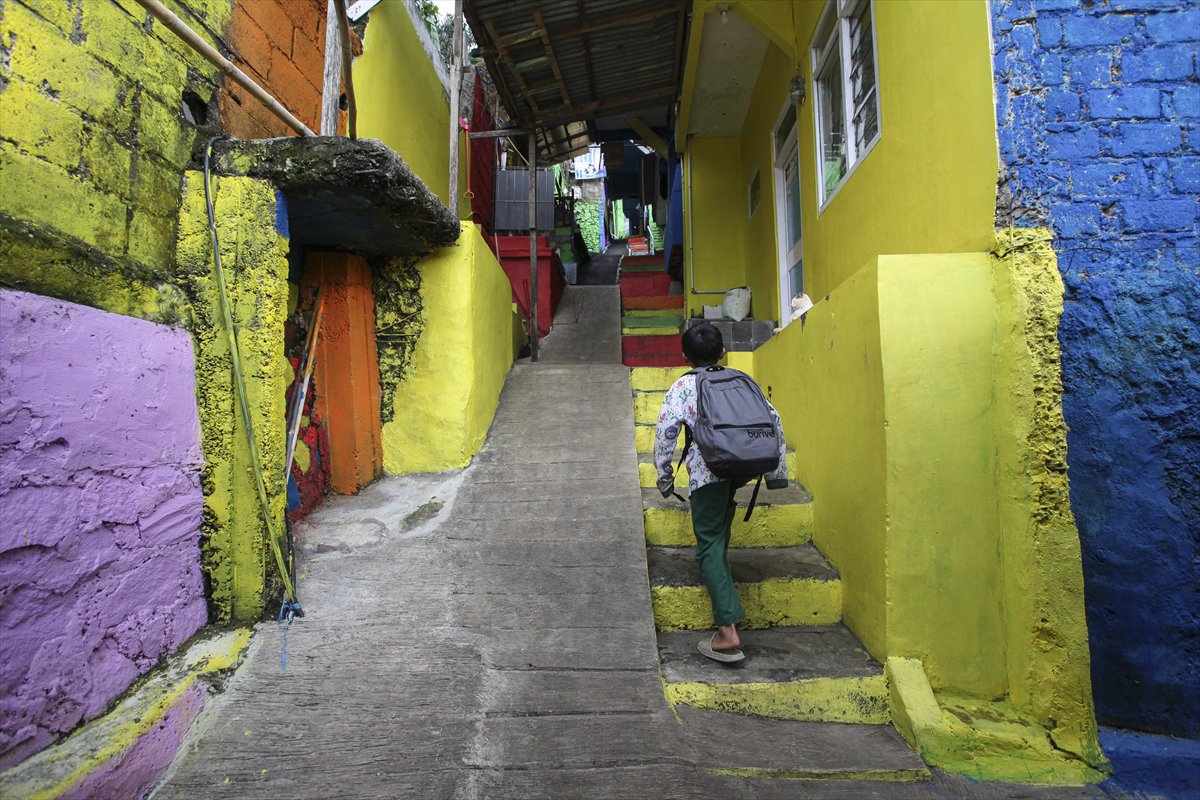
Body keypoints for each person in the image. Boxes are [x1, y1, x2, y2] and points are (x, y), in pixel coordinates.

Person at [653, 323, 788, 663]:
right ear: (723, 352)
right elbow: (773, 419)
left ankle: (727, 631)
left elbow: (666, 433)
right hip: (742, 468)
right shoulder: (741, 379)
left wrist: (664, 477)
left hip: (708, 472)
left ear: (684, 356)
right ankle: (724, 597)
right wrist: (777, 475)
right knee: (719, 535)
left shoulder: (685, 386)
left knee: (709, 546)